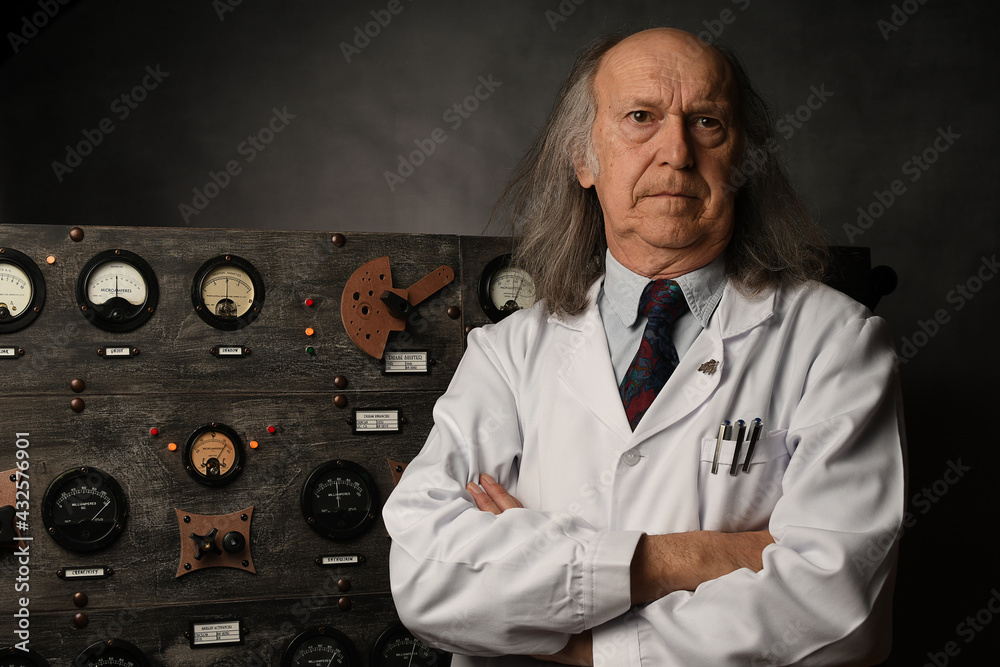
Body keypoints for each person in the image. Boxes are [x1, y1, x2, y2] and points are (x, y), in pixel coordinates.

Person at [383, 27, 905, 666]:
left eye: (707, 121)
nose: (677, 152)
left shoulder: (838, 344)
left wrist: (582, 645)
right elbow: (428, 580)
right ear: (585, 158)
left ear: (741, 161)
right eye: (640, 117)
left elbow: (839, 612)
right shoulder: (506, 353)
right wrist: (689, 556)